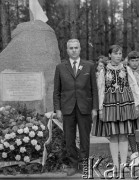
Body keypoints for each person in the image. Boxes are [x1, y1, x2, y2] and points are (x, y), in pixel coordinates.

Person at [94, 45, 139, 172]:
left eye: (120, 53)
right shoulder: (103, 71)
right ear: (110, 55)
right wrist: (100, 109)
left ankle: (123, 164)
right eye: (115, 53)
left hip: (125, 105)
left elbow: (133, 86)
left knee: (123, 135)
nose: (118, 56)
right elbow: (100, 90)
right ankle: (115, 165)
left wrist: (137, 104)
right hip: (110, 106)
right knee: (114, 135)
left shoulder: (127, 69)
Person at [53, 39, 99, 176]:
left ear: (80, 49)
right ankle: (73, 165)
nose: (73, 50)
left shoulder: (89, 66)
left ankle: (84, 164)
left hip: (85, 108)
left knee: (85, 138)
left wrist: (95, 108)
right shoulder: (60, 67)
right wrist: (58, 109)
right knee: (69, 139)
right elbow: (56, 91)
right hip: (67, 108)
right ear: (67, 50)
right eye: (71, 48)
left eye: (76, 48)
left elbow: (94, 90)